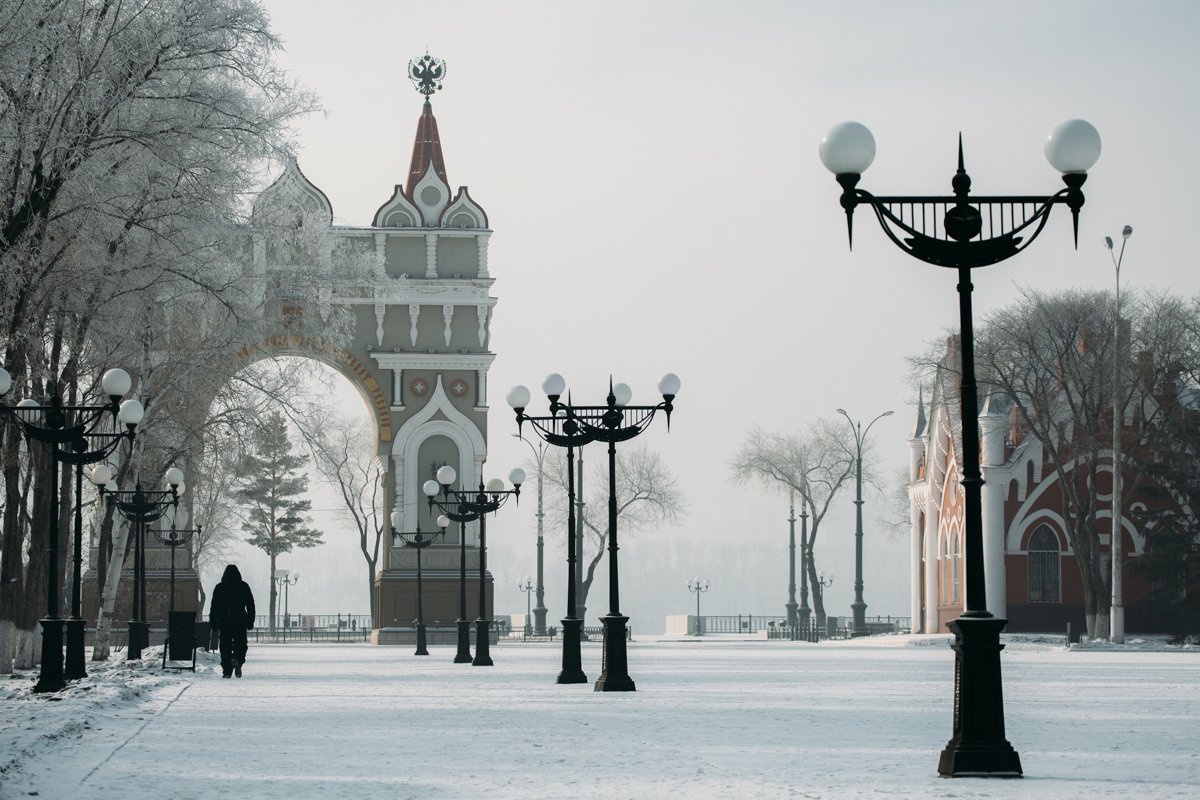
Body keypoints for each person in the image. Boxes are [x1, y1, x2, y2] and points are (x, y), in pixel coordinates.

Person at [208, 564, 255, 678]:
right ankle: (238, 660)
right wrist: (250, 621)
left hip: (224, 621)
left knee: (225, 646)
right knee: (241, 644)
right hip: (240, 621)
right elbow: (250, 605)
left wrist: (213, 622)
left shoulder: (219, 587)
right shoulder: (244, 586)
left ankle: (227, 670)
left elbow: (214, 607)